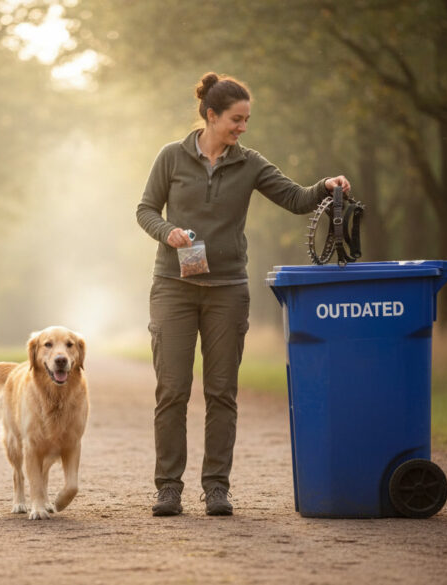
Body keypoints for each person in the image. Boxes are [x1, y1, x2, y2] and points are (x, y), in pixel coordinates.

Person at [136, 72, 351, 517]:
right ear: (211, 116)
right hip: (173, 289)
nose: (242, 128)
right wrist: (168, 233)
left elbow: (295, 198)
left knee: (221, 392)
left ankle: (216, 487)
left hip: (227, 290)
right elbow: (145, 209)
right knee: (172, 390)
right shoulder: (171, 158)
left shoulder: (249, 163)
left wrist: (326, 188)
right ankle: (168, 488)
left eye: (246, 120)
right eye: (236, 119)